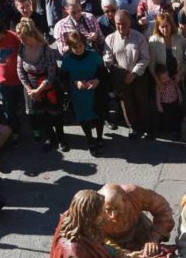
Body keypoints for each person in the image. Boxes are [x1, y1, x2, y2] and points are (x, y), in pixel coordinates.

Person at [16, 18, 65, 152]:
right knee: (41, 116)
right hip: (31, 88)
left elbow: (51, 73)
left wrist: (39, 89)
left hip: (47, 87)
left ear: (32, 35)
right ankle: (50, 138)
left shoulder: (45, 49)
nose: (22, 41)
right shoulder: (21, 48)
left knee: (55, 115)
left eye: (24, 39)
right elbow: (20, 70)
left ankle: (61, 138)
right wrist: (30, 89)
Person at [103, 10, 152, 139]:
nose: (121, 27)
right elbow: (107, 60)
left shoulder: (139, 37)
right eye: (118, 23)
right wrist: (121, 73)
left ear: (130, 22)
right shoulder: (110, 39)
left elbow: (145, 58)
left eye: (124, 23)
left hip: (139, 76)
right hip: (121, 77)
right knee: (127, 104)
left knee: (143, 103)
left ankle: (147, 128)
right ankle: (134, 128)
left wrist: (134, 73)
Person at [60, 32, 107, 153]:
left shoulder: (93, 55)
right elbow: (63, 78)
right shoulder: (67, 60)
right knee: (84, 118)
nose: (78, 49)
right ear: (70, 47)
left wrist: (97, 80)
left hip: (95, 93)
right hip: (78, 96)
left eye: (80, 46)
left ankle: (100, 137)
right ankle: (90, 139)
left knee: (98, 115)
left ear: (84, 44)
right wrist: (75, 83)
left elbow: (103, 71)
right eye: (74, 47)